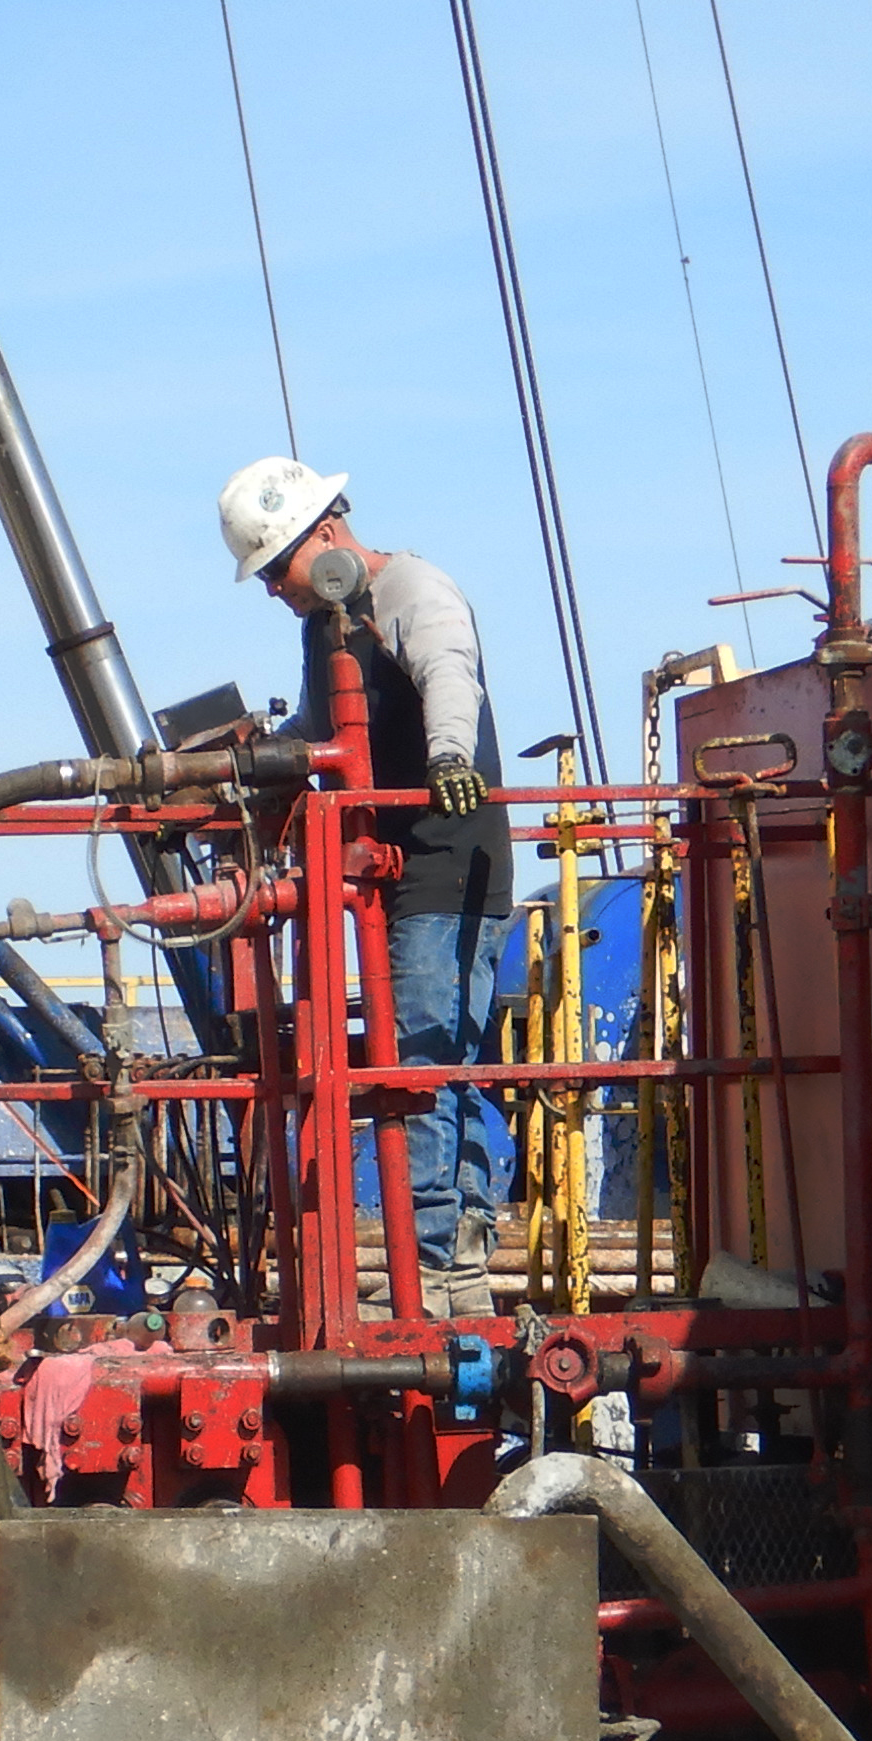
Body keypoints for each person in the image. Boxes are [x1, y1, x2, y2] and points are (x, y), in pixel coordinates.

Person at [219, 455, 511, 1283]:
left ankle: (438, 1264)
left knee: (421, 1066)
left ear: (328, 530)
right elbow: (324, 729)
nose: (276, 587)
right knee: (424, 1062)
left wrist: (451, 755)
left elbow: (451, 674)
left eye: (279, 566)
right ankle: (449, 1252)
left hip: (449, 861)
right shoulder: (327, 626)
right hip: (389, 874)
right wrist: (254, 760)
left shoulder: (414, 590)